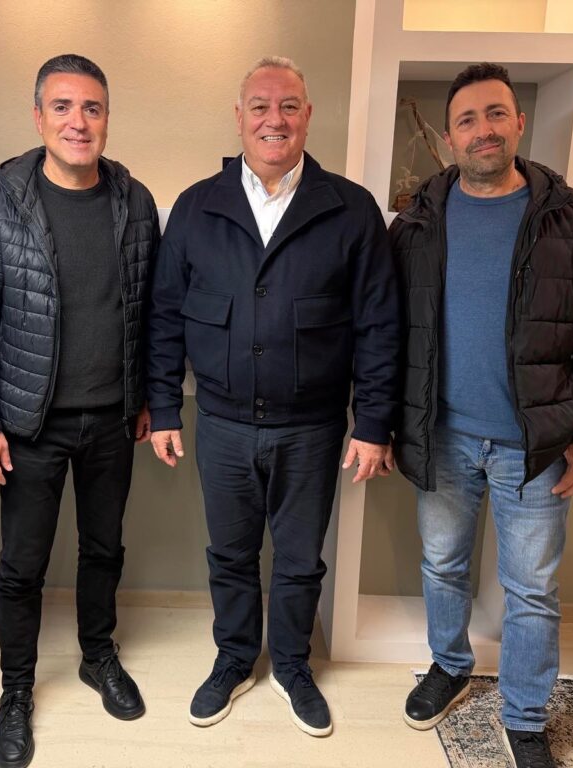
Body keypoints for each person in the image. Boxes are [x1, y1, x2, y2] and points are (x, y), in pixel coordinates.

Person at [390, 63, 573, 768]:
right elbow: (389, 330)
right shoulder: (417, 220)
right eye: (467, 120)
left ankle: (525, 716)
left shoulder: (571, 218)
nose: (484, 130)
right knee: (442, 565)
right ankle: (449, 666)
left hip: (538, 446)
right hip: (442, 437)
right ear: (449, 137)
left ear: (519, 122)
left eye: (496, 114)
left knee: (532, 589)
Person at [147, 56, 400, 738]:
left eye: (288, 106)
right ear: (239, 118)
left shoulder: (351, 210)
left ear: (307, 116)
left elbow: (380, 326)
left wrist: (373, 422)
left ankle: (291, 665)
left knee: (298, 560)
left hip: (312, 428)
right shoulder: (196, 207)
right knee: (229, 555)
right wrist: (164, 407)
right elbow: (163, 317)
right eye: (259, 106)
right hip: (222, 425)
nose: (274, 120)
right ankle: (234, 659)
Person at [0, 53, 160, 768]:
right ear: (38, 117)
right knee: (22, 565)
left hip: (112, 421)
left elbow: (151, 310)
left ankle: (98, 656)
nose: (79, 121)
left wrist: (147, 396)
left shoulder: (134, 200)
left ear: (107, 119)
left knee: (104, 549)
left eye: (92, 108)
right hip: (28, 425)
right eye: (63, 107)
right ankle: (16, 691)